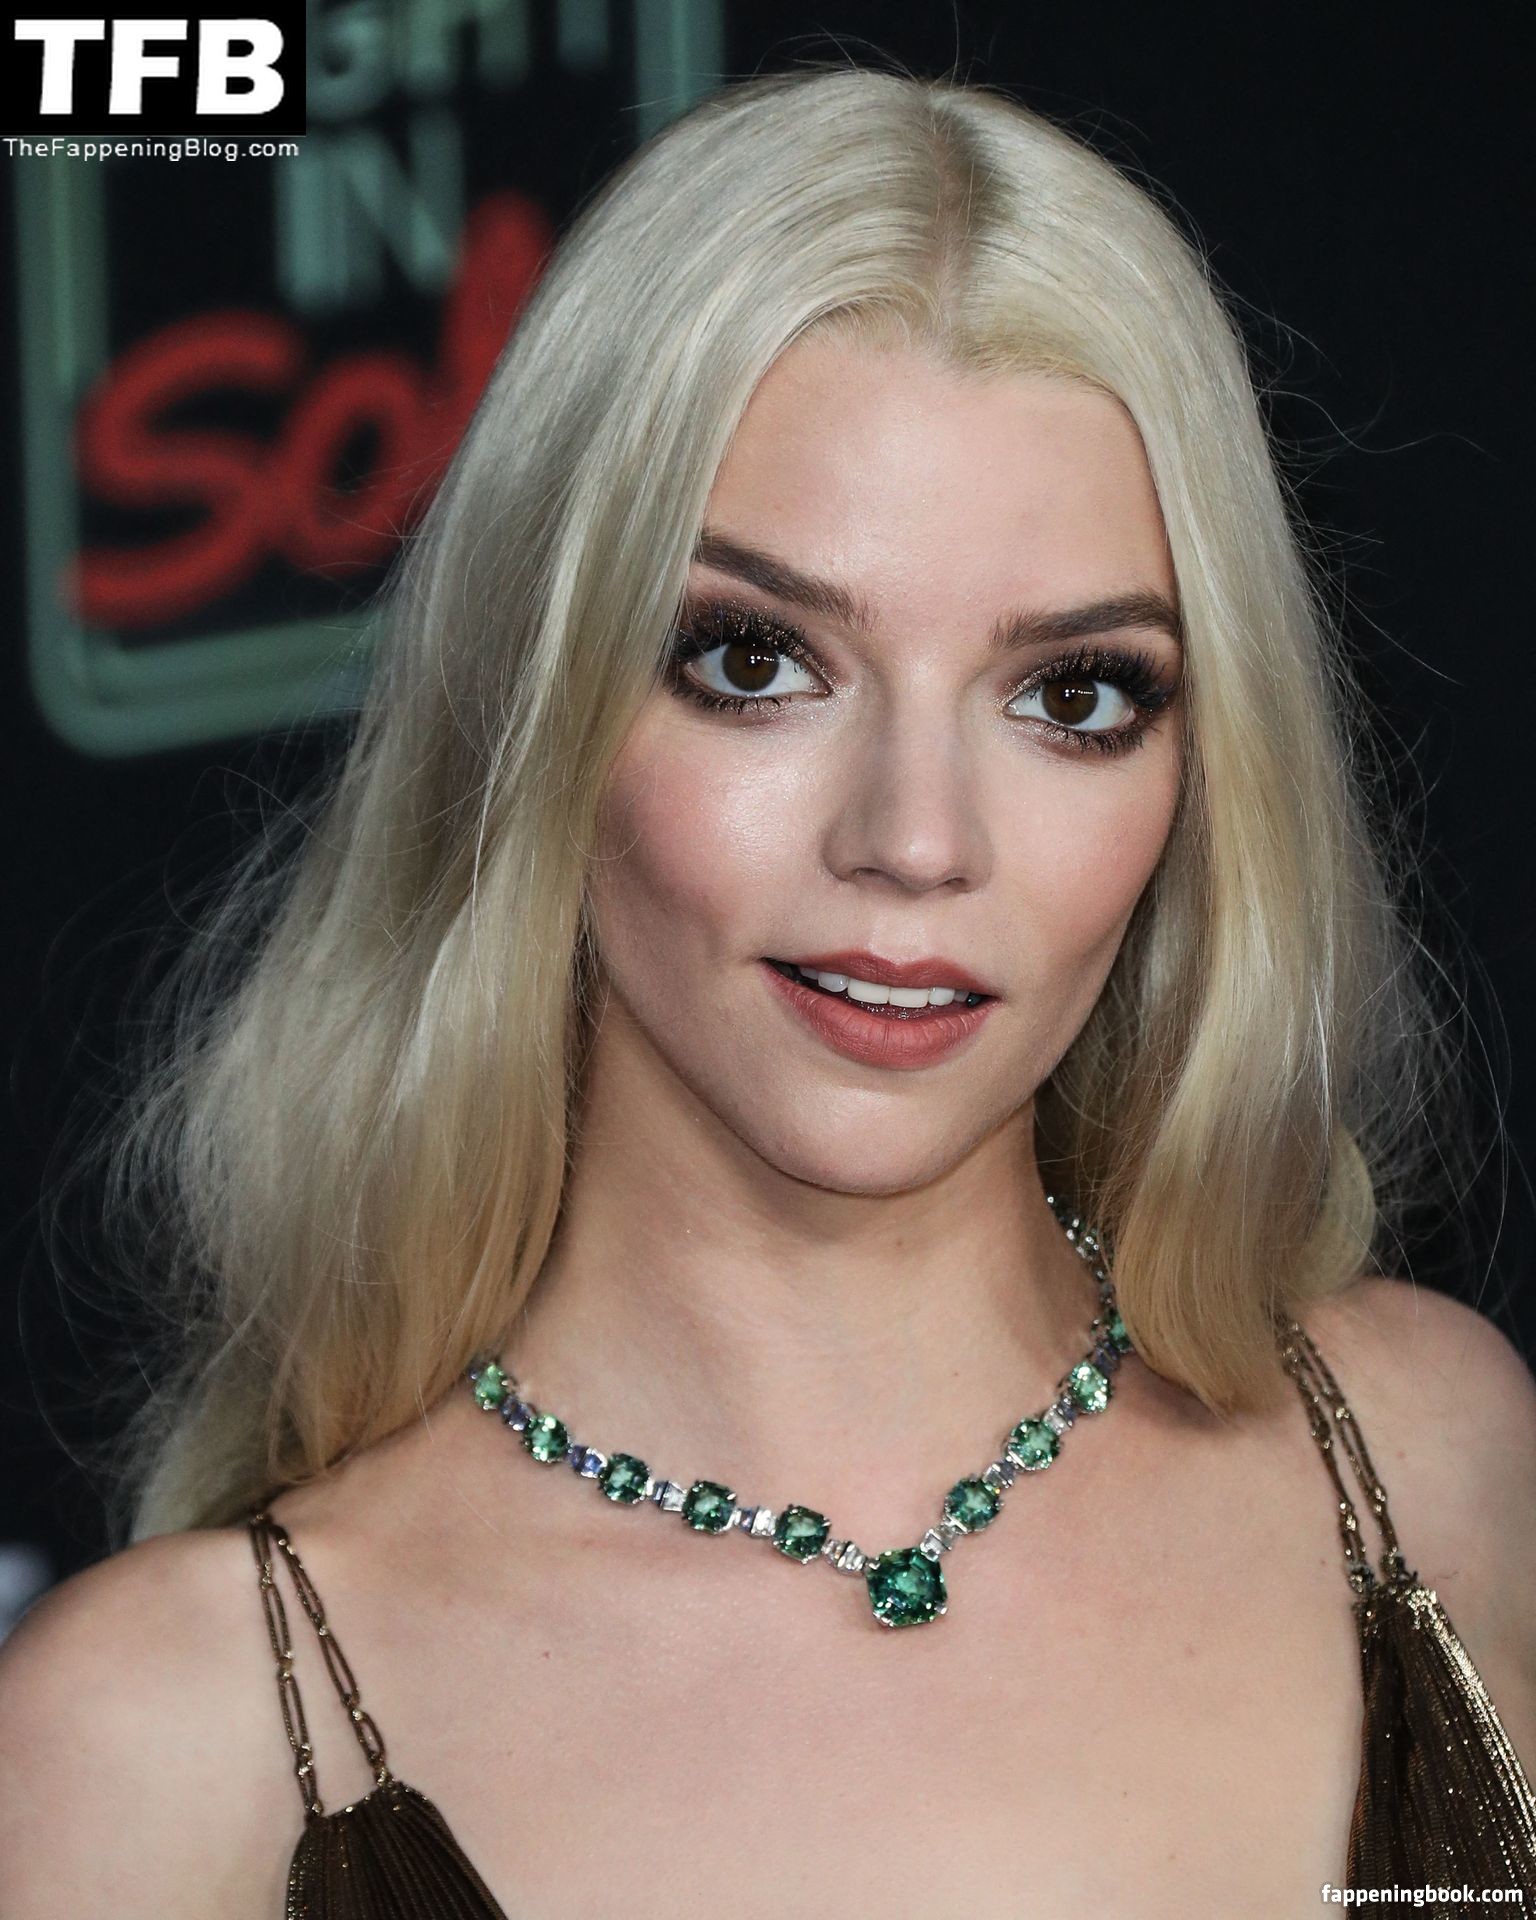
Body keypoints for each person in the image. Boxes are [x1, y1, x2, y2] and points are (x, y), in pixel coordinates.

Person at [2, 61, 1533, 1918]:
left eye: (1073, 695)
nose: (916, 840)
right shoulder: (160, 1750)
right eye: (755, 661)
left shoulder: (1434, 1465)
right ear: (537, 706)